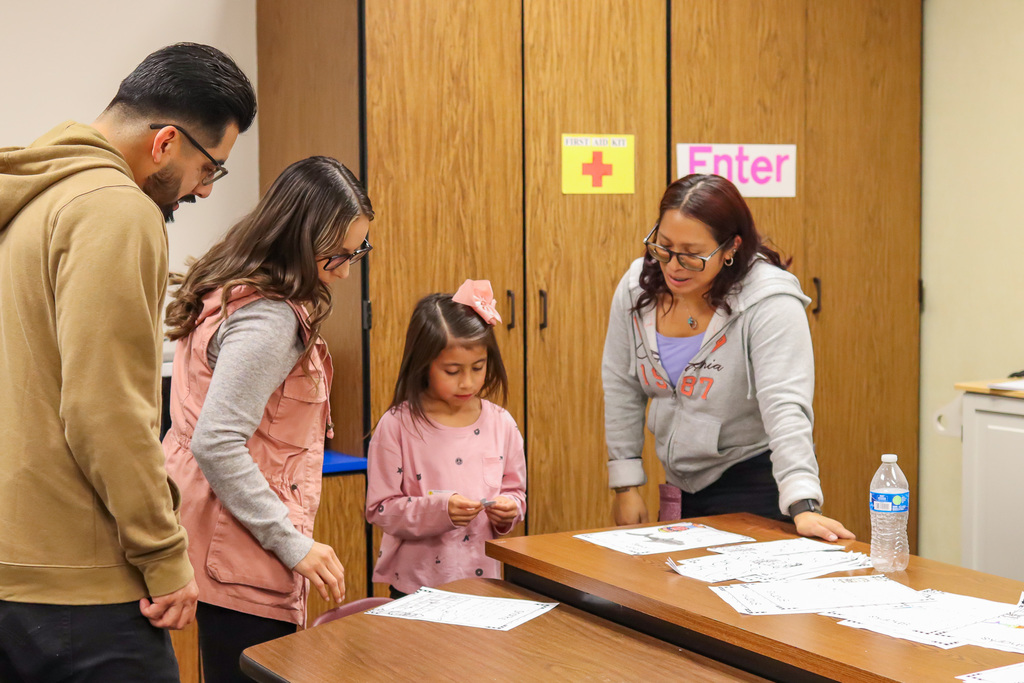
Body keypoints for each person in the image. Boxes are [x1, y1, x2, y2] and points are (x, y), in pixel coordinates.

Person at [0, 43, 256, 681]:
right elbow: (105, 410)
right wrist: (166, 556)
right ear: (166, 141)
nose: (203, 188)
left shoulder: (32, 199)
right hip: (82, 590)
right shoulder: (116, 210)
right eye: (211, 169)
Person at [162, 156, 373, 683]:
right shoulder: (270, 319)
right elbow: (217, 442)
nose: (346, 272)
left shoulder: (232, 286)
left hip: (209, 525)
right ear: (297, 242)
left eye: (358, 252)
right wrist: (292, 542)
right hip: (239, 539)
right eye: (336, 257)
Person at [602, 174, 854, 543]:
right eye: (664, 246)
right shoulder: (638, 287)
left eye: (692, 254)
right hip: (679, 484)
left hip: (752, 484)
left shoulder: (768, 302)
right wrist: (625, 486)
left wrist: (802, 504)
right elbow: (621, 384)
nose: (673, 266)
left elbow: (784, 405)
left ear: (730, 247)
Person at [366, 281, 527, 598]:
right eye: (452, 371)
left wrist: (511, 510)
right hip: (415, 588)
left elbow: (515, 493)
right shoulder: (397, 426)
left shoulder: (502, 424)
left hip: (484, 585)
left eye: (478, 367)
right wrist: (440, 511)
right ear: (424, 365)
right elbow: (380, 509)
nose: (467, 382)